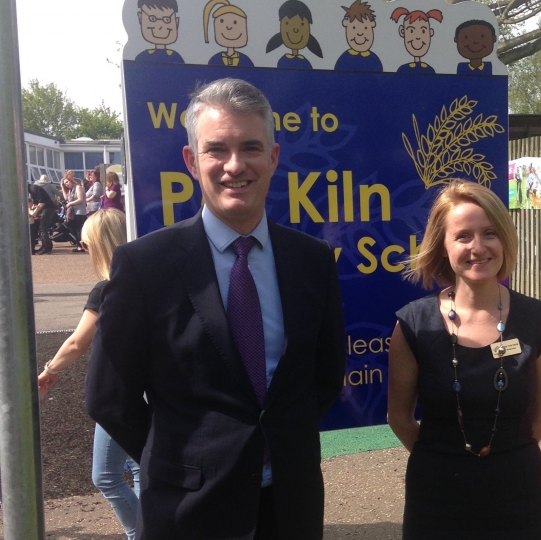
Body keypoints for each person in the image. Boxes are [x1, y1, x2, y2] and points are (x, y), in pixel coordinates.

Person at [85, 78, 346, 540]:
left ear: (273, 157)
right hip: (187, 512)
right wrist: (180, 460)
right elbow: (110, 397)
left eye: (250, 147)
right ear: (192, 160)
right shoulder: (144, 266)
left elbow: (323, 377)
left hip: (291, 507)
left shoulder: (311, 260)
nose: (234, 165)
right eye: (216, 150)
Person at [387, 179, 541, 539]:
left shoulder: (538, 321)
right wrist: (446, 457)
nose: (477, 247)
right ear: (443, 246)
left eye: (489, 233)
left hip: (517, 496)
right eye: (463, 236)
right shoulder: (414, 325)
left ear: (505, 240)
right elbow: (400, 418)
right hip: (436, 498)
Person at [37, 209, 141, 540]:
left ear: (99, 244)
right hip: (149, 390)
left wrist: (49, 369)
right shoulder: (146, 281)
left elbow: (76, 342)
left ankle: (142, 533)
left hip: (118, 394)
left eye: (84, 245)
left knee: (106, 475)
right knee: (139, 465)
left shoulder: (105, 288)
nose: (85, 251)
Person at [334, 0, 383, 72]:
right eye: (354, 28)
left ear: (372, 25)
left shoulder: (374, 60)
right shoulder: (344, 59)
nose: (360, 33)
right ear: (346, 24)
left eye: (365, 28)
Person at [392, 8, 442, 74]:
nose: (418, 37)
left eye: (423, 31)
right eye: (411, 31)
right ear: (402, 31)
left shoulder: (429, 70)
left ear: (430, 32)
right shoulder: (403, 69)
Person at [61, 170, 87, 252]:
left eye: (67, 182)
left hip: (80, 212)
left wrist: (70, 204)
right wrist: (62, 187)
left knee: (79, 230)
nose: (66, 184)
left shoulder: (78, 188)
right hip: (72, 213)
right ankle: (79, 245)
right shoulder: (71, 191)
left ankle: (82, 246)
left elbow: (80, 199)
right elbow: (66, 198)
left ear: (71, 181)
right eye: (65, 183)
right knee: (72, 229)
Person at [28, 180, 56, 254]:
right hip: (47, 208)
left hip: (48, 208)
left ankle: (45, 248)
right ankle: (47, 246)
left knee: (43, 228)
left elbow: (42, 202)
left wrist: (34, 213)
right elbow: (36, 203)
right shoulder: (32, 189)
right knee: (43, 228)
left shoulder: (33, 189)